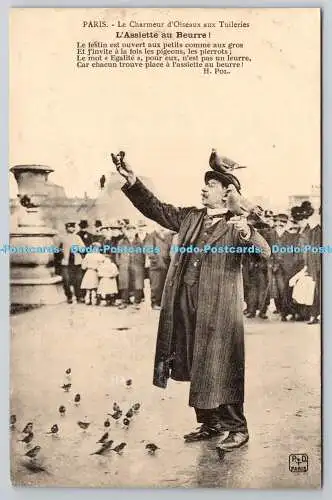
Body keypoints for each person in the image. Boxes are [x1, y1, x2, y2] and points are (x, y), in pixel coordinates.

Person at [112, 152, 271, 454]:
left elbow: (265, 251)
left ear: (227, 192)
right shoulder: (191, 217)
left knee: (223, 364)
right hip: (185, 301)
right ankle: (209, 422)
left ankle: (237, 428)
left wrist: (247, 230)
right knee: (195, 360)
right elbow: (156, 209)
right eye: (205, 184)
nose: (203, 189)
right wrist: (133, 181)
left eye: (210, 184)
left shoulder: (239, 222)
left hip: (220, 307)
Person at [116, 223, 145, 310]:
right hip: (124, 265)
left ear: (135, 232)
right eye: (128, 231)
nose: (130, 233)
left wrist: (142, 264)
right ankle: (124, 301)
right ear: (126, 232)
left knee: (138, 284)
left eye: (132, 231)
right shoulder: (121, 242)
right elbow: (118, 254)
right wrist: (120, 263)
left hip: (137, 265)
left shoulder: (140, 242)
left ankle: (137, 302)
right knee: (124, 283)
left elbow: (144, 254)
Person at [145, 226, 173, 310]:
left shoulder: (168, 236)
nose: (161, 227)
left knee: (164, 284)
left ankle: (162, 303)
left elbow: (170, 248)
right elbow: (149, 250)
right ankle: (155, 303)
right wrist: (156, 260)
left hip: (167, 265)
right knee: (156, 285)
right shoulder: (151, 236)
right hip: (156, 266)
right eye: (159, 225)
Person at [59, 222, 85, 303]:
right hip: (66, 262)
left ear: (74, 228)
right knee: (66, 280)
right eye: (69, 227)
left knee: (78, 280)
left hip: (76, 262)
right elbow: (58, 250)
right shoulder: (63, 238)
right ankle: (69, 296)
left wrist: (77, 248)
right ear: (66, 228)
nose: (71, 229)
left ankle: (79, 296)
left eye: (73, 227)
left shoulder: (77, 237)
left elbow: (83, 249)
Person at [305, 207, 321, 324]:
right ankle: (314, 315)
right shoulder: (315, 231)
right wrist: (310, 268)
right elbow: (311, 251)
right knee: (317, 292)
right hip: (319, 268)